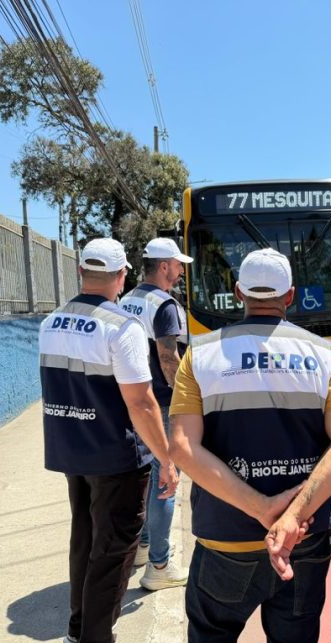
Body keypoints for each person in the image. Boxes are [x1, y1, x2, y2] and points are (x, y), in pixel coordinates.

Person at [168, 248, 331, 643]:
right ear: (290, 295)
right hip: (303, 539)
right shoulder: (323, 355)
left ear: (238, 293)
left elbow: (182, 447)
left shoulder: (199, 355)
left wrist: (261, 508)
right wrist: (290, 517)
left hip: (225, 537)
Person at [39, 238, 177, 643]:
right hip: (115, 456)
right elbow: (142, 403)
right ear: (121, 277)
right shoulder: (122, 328)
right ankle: (95, 637)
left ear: (81, 273)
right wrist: (166, 460)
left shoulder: (50, 322)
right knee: (114, 549)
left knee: (84, 539)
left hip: (71, 451)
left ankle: (77, 631)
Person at [119, 237, 193, 591]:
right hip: (161, 402)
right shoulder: (164, 305)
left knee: (147, 475)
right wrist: (189, 399)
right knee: (167, 477)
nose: (180, 271)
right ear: (164, 266)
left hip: (132, 399)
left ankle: (144, 546)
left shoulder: (127, 299)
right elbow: (168, 359)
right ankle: (159, 566)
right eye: (178, 265)